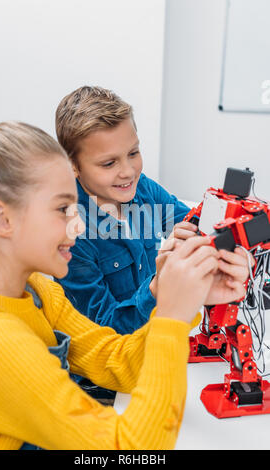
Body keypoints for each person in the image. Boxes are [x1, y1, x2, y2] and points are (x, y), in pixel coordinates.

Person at [0, 122, 248, 450]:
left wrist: (187, 295)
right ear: (2, 220)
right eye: (62, 209)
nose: (79, 223)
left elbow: (116, 362)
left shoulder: (37, 291)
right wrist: (172, 316)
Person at [54, 85, 250, 401]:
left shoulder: (141, 190)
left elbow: (196, 225)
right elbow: (105, 334)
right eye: (109, 163)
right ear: (73, 166)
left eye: (133, 152)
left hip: (151, 351)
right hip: (102, 386)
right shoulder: (71, 236)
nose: (128, 171)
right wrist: (158, 287)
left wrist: (232, 244)